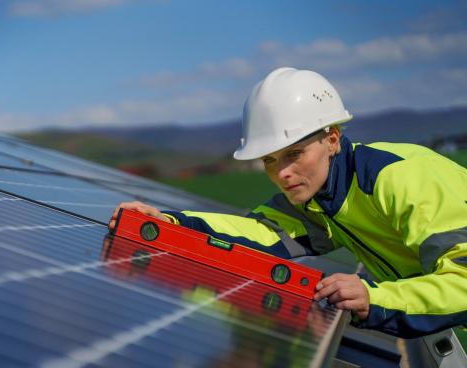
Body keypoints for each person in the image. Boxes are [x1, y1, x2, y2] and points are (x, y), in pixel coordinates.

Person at [108, 67, 467, 339]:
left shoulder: (400, 178)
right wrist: (168, 225)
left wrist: (375, 298)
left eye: (294, 153)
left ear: (332, 139)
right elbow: (261, 233)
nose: (282, 173)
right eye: (269, 159)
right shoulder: (320, 197)